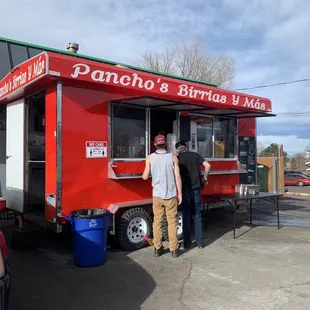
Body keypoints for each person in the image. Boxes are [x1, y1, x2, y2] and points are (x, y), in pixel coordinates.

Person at [142, 134, 182, 258]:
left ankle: (157, 248)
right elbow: (177, 177)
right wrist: (179, 193)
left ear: (154, 144)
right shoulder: (173, 157)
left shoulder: (149, 158)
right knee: (172, 222)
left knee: (157, 222)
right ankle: (174, 249)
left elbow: (144, 176)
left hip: (157, 195)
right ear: (165, 144)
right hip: (170, 195)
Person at [175, 141, 211, 249]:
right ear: (186, 147)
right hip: (196, 189)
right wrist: (205, 178)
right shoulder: (195, 155)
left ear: (177, 149)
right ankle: (200, 242)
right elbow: (208, 165)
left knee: (186, 214)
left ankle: (187, 243)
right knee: (197, 214)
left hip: (185, 190)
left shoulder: (178, 158)